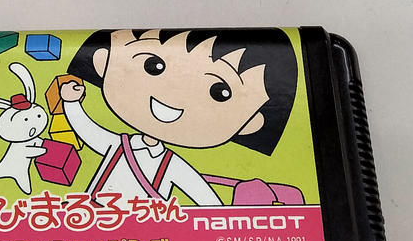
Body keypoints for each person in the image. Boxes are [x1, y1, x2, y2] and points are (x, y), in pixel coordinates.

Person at [59, 28, 298, 206]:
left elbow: (205, 199)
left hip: (145, 238)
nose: (174, 95)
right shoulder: (119, 145)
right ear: (103, 61)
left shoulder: (170, 164)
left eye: (220, 92)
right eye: (153, 65)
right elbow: (88, 131)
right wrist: (71, 103)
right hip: (92, 221)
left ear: (250, 123)